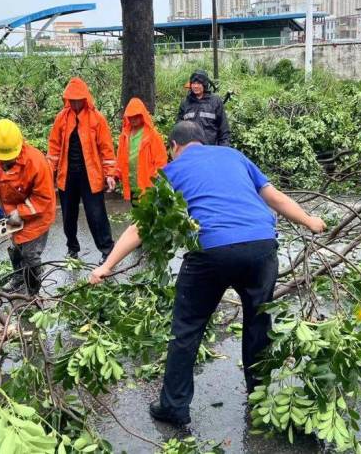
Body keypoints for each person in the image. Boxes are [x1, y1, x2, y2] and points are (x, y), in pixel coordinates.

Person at [88, 121, 326, 426]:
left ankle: (174, 406)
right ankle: (261, 397)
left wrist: (107, 267)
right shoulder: (234, 156)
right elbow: (275, 197)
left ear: (173, 147)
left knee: (187, 327)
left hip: (211, 251)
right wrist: (310, 222)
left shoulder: (171, 171)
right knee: (258, 322)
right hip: (261, 247)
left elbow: (141, 227)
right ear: (204, 141)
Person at [0, 119, 55, 295]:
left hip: (37, 216)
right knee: (16, 247)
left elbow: (43, 198)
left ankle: (33, 291)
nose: (3, 161)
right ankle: (19, 278)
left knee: (30, 254)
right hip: (10, 211)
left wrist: (21, 212)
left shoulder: (36, 162)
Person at [47, 77, 117, 262]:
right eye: (72, 99)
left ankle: (107, 250)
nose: (75, 103)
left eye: (78, 99)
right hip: (67, 175)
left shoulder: (97, 119)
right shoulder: (61, 118)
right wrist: (49, 172)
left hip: (90, 176)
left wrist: (110, 174)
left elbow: (106, 149)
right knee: (68, 216)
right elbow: (54, 148)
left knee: (96, 215)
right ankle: (72, 249)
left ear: (85, 98)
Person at [116, 97, 168, 204]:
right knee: (136, 211)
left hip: (148, 184)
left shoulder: (152, 135)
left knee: (148, 214)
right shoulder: (125, 135)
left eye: (136, 116)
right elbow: (120, 158)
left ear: (142, 115)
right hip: (132, 183)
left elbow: (161, 160)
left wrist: (155, 179)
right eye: (130, 117)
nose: (133, 119)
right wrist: (116, 174)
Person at [177, 69, 230, 146]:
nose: (195, 86)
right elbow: (179, 128)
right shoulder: (185, 103)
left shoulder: (215, 101)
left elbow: (224, 130)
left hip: (210, 150)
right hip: (191, 150)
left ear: (204, 84)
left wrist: (223, 150)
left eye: (199, 83)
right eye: (193, 83)